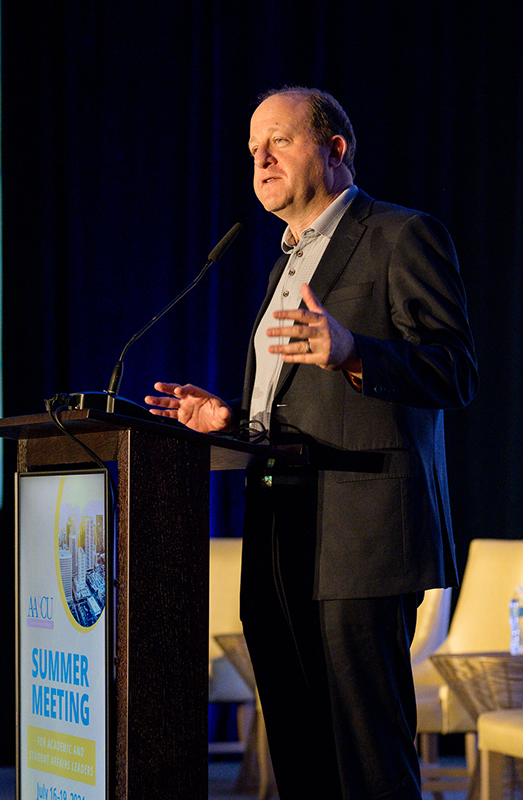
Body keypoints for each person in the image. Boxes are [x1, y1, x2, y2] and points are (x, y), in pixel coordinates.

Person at [145, 87, 478, 799]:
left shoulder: (399, 235)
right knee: (300, 753)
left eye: (279, 141)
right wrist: (230, 422)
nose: (259, 160)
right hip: (280, 538)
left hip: (362, 544)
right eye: (251, 150)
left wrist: (355, 350)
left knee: (366, 761)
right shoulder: (281, 265)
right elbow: (300, 413)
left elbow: (455, 371)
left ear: (334, 150)